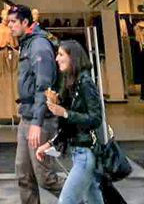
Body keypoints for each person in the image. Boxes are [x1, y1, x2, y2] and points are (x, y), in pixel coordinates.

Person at [35, 40, 104, 204]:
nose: (56, 59)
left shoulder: (85, 82)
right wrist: (51, 143)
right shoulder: (72, 82)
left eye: (61, 55)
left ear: (72, 57)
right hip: (80, 152)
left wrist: (65, 112)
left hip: (85, 154)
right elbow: (70, 125)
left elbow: (95, 119)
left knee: (66, 201)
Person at [8, 5, 64, 204]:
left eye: (13, 22)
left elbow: (43, 86)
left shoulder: (39, 45)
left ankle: (86, 199)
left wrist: (37, 123)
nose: (9, 26)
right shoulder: (26, 42)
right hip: (27, 115)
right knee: (23, 174)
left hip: (40, 119)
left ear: (25, 22)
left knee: (45, 177)